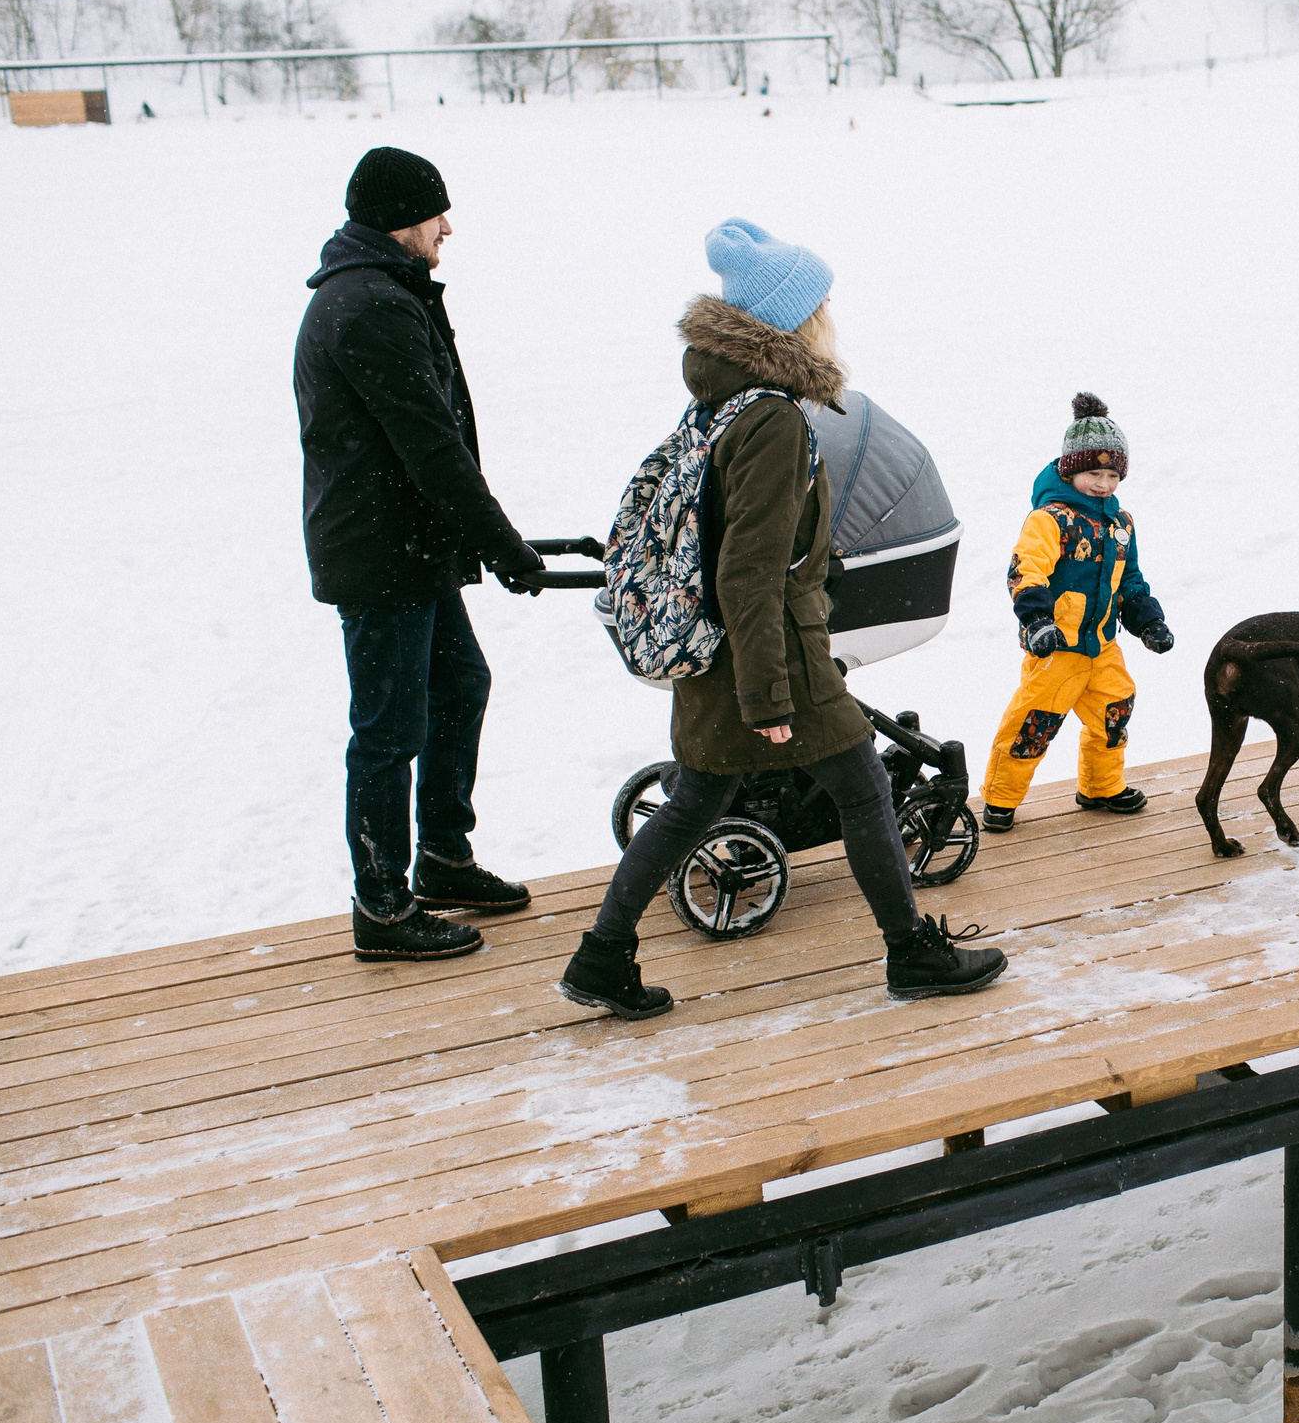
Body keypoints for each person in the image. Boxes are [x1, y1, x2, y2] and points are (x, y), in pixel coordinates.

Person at [557, 218, 1007, 1017]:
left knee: (695, 799)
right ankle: (911, 955)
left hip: (718, 650)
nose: (832, 314)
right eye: (822, 303)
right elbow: (748, 571)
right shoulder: (772, 419)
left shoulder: (720, 403)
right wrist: (767, 697)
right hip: (773, 656)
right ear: (797, 319)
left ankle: (600, 957)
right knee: (866, 788)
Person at [294, 146, 548, 963]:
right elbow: (431, 447)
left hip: (408, 543)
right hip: (381, 554)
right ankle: (383, 904)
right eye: (438, 212)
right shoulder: (368, 306)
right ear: (404, 219)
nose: (448, 226)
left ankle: (442, 854)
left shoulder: (380, 290)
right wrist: (503, 546)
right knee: (388, 727)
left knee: (458, 684)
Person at [981, 394, 1173, 834]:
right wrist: (1038, 621)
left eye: (1111, 475)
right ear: (1070, 470)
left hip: (1102, 648)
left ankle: (1101, 787)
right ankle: (1001, 797)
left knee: (1114, 714)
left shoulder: (1121, 524)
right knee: (1033, 725)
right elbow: (1026, 572)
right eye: (1093, 473)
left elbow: (1131, 581)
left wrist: (1148, 621)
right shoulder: (1050, 519)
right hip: (1058, 650)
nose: (1103, 484)